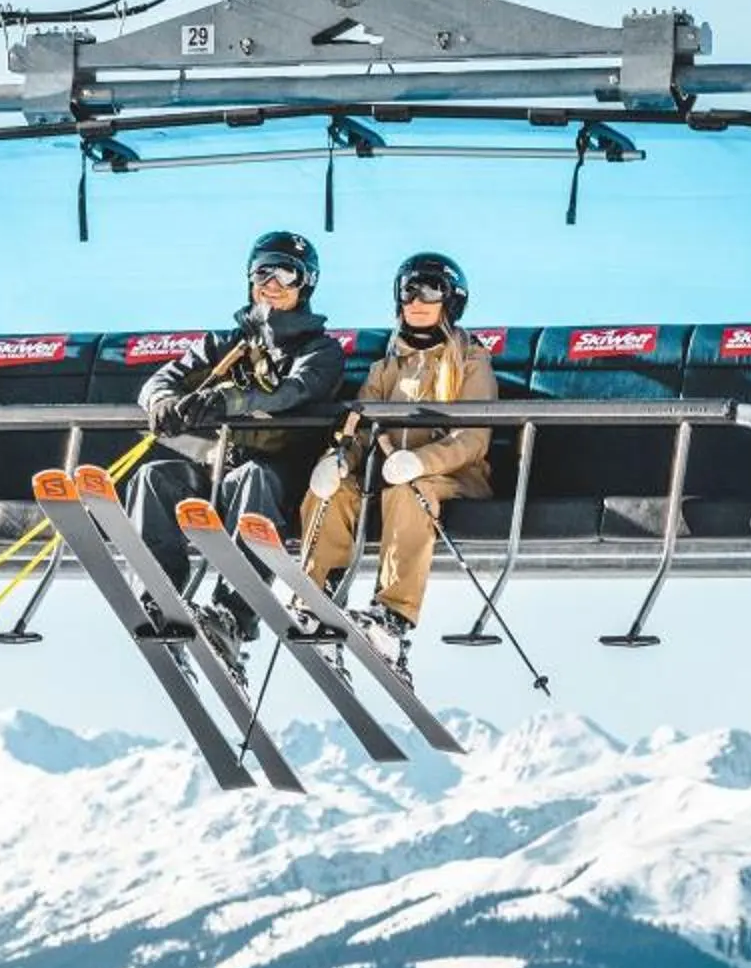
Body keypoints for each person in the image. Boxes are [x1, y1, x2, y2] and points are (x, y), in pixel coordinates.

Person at [130, 230, 348, 674]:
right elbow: (159, 380)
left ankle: (233, 613)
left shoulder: (320, 350)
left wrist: (231, 401)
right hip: (221, 473)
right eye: (261, 270)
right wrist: (163, 403)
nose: (272, 281)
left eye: (286, 272)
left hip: (281, 481)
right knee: (154, 479)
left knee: (252, 478)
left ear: (306, 283)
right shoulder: (225, 343)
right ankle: (161, 599)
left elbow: (293, 392)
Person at [297, 252, 495, 674]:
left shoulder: (471, 362)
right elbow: (360, 426)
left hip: (451, 478)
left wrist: (421, 462)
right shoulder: (386, 367)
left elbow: (474, 437)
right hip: (384, 477)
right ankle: (318, 601)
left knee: (410, 492)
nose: (417, 300)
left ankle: (393, 616)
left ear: (451, 301)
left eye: (430, 290)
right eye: (408, 291)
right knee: (332, 493)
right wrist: (339, 460)